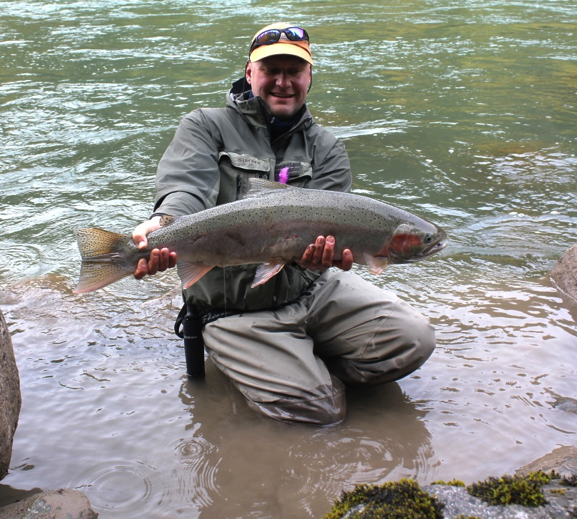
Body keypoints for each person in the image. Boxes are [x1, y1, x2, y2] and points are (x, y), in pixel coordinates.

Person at [130, 22, 435, 424]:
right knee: (320, 411)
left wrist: (323, 259)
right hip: (234, 308)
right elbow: (186, 187)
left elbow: (336, 233)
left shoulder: (326, 148)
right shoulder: (205, 126)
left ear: (309, 77)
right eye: (271, 70)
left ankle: (305, 364)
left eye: (294, 71)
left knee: (413, 340)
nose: (282, 82)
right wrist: (164, 221)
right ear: (249, 72)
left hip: (311, 289)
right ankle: (284, 370)